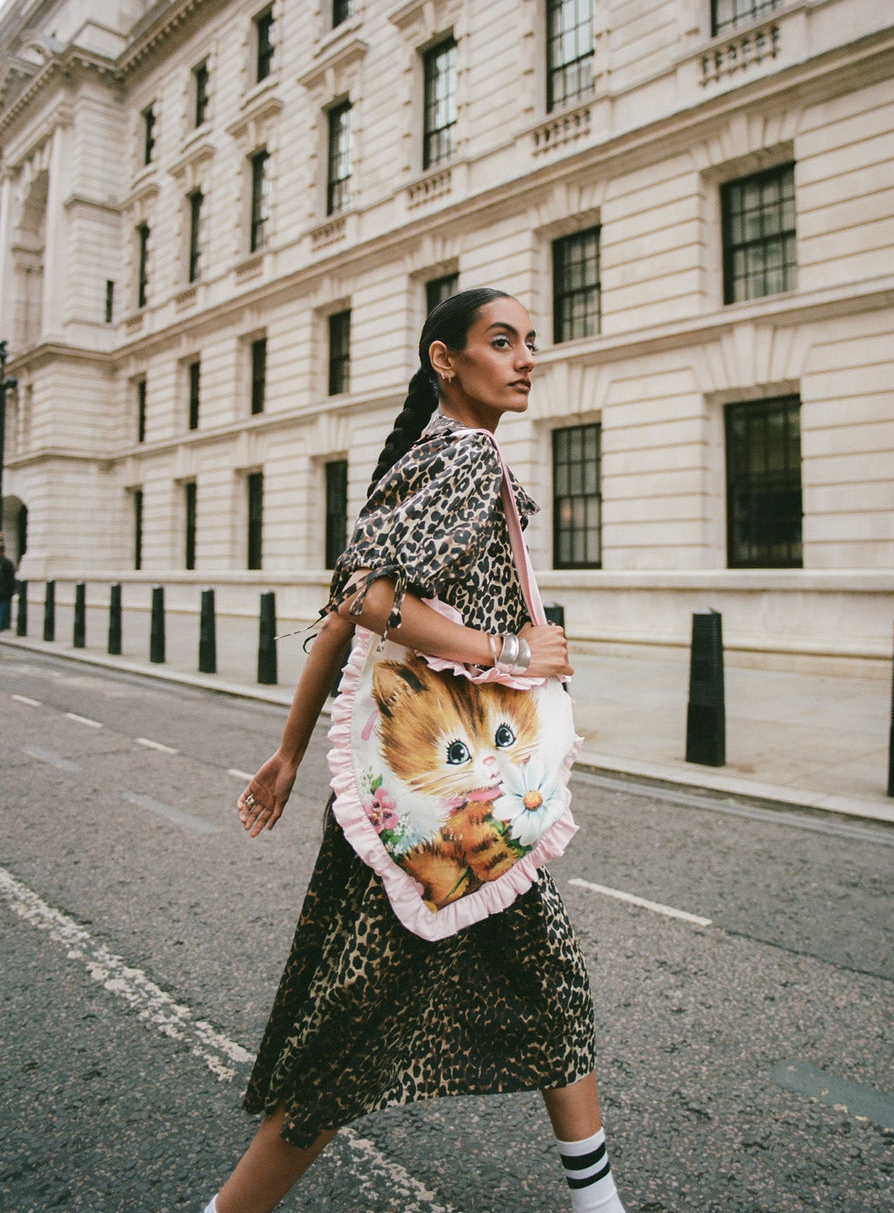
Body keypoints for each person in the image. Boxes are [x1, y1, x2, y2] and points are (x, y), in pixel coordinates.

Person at [201, 289, 627, 1213]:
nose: (524, 360)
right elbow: (367, 602)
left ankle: (600, 1204)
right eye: (500, 342)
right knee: (345, 1032)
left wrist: (287, 751)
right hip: (440, 801)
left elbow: (345, 625)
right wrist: (511, 652)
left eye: (529, 344)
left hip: (448, 793)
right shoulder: (467, 461)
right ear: (446, 359)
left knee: (549, 985)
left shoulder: (436, 457)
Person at [0, 539, 16, 631]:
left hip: (4, 592)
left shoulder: (6, 563)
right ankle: (4, 624)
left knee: (3, 608)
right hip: (4, 592)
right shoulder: (6, 563)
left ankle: (3, 625)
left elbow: (10, 579)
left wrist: (11, 590)